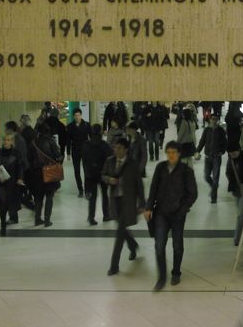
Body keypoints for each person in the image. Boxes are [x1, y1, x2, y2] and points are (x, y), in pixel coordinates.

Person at [144, 141, 198, 291]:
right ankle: (162, 277)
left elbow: (192, 194)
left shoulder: (186, 171)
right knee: (159, 246)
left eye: (174, 152)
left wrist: (183, 210)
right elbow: (153, 188)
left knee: (177, 246)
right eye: (168, 152)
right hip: (161, 212)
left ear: (179, 154)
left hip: (178, 214)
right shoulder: (160, 168)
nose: (171, 155)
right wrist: (149, 207)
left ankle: (176, 272)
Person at [103, 137, 144, 276]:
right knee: (121, 227)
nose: (116, 150)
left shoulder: (132, 164)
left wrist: (142, 203)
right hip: (115, 200)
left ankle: (114, 265)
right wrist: (109, 179)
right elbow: (103, 175)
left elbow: (139, 184)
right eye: (115, 147)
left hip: (128, 201)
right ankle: (133, 245)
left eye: (119, 148)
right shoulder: (110, 161)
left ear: (126, 150)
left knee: (120, 233)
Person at [0, 131, 24, 234]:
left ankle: (12, 218)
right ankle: (3, 226)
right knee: (2, 205)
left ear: (12, 142)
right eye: (4, 139)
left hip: (12, 183)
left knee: (10, 204)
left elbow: (20, 166)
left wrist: (20, 178)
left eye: (8, 140)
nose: (6, 142)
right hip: (0, 183)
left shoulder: (16, 153)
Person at [28, 121, 63, 228]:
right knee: (49, 196)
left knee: (38, 197)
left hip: (36, 173)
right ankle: (47, 220)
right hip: (49, 172)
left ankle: (37, 219)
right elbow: (58, 156)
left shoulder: (33, 142)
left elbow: (29, 158)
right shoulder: (51, 141)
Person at [81, 124, 112, 225]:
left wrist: (86, 172)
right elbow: (110, 160)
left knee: (92, 197)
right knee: (105, 195)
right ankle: (106, 215)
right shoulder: (105, 145)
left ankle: (91, 217)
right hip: (102, 174)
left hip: (90, 174)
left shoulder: (86, 145)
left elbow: (84, 160)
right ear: (101, 132)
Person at [196, 113, 227, 203]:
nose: (214, 121)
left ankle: (214, 198)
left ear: (217, 120)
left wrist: (222, 151)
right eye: (212, 119)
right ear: (210, 120)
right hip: (208, 157)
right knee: (206, 176)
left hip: (217, 157)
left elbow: (225, 143)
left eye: (215, 119)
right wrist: (197, 150)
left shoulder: (221, 131)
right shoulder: (207, 130)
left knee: (216, 178)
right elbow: (202, 141)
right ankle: (214, 187)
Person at [66, 107, 91, 197]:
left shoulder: (87, 125)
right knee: (77, 171)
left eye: (78, 115)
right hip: (75, 150)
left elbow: (91, 138)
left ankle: (87, 190)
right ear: (73, 116)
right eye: (75, 115)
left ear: (81, 115)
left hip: (85, 150)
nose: (77, 117)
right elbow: (68, 141)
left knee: (86, 170)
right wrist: (68, 153)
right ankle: (80, 189)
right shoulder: (70, 126)